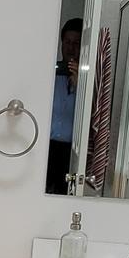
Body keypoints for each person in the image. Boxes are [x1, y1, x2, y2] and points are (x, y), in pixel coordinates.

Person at [46, 17, 81, 194]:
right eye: (67, 42)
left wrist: (80, 87)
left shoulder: (89, 83)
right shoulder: (49, 73)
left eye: (76, 43)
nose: (71, 48)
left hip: (71, 152)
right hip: (46, 147)